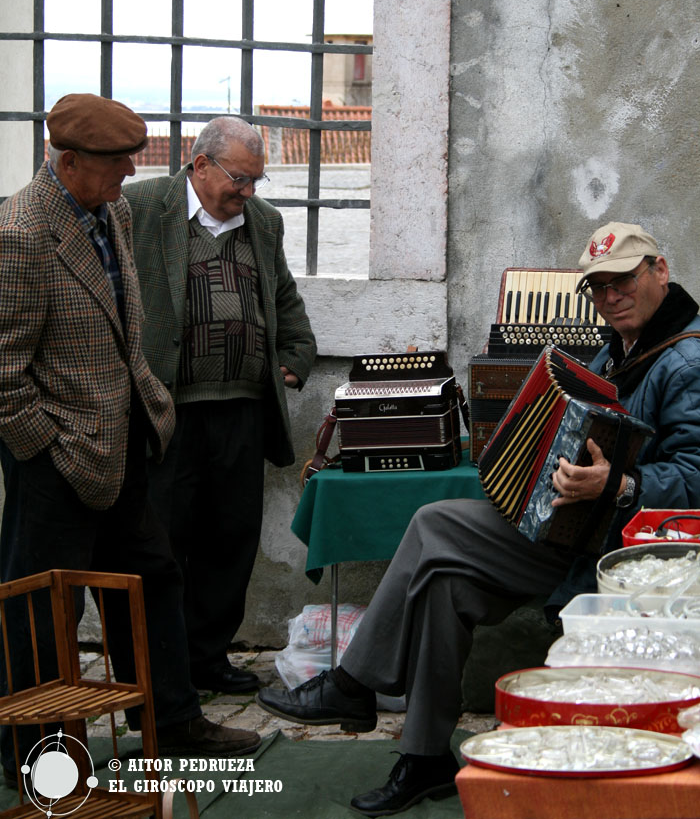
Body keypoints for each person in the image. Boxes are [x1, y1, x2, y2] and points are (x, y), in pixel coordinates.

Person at [257, 221, 700, 816]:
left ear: (660, 271)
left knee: (436, 522)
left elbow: (694, 478)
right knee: (446, 582)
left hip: (621, 554)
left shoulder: (687, 359)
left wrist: (620, 483)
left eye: (623, 280)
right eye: (597, 287)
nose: (610, 296)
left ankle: (352, 684)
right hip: (577, 529)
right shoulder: (618, 346)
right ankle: (425, 757)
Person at [0, 93, 261, 778]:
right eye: (115, 164)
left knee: (151, 581)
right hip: (57, 456)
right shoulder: (23, 231)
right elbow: (2, 371)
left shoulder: (109, 208)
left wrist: (147, 409)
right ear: (67, 161)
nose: (128, 176)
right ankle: (40, 756)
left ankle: (172, 725)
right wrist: (44, 448)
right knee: (45, 610)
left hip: (123, 443)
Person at [123, 115, 316, 695]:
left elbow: (282, 294)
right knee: (164, 541)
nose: (248, 191)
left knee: (230, 539)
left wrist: (296, 354)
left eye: (256, 180)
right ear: (199, 164)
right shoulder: (138, 208)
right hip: (167, 412)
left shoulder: (263, 221)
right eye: (239, 178)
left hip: (242, 409)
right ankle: (164, 671)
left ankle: (208, 659)